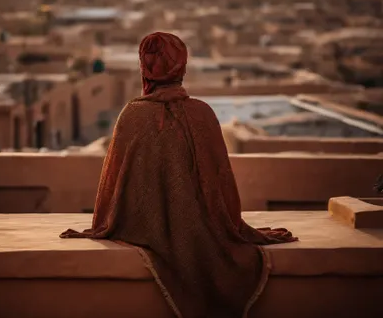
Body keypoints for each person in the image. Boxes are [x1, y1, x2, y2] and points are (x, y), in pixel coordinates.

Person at [60, 32, 297, 318]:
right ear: (181, 67)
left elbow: (114, 189)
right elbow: (222, 188)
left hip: (142, 229)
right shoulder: (203, 115)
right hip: (205, 231)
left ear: (144, 68)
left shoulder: (131, 116)